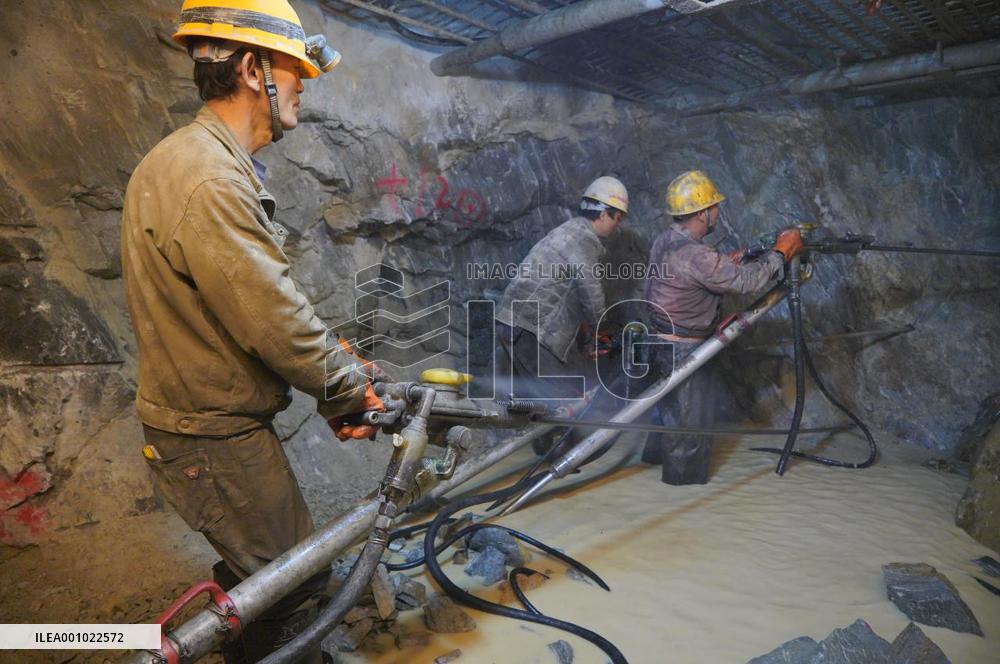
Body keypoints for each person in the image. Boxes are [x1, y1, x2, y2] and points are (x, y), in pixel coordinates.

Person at [120, 2, 381, 661]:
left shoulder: (193, 161)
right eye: (296, 72)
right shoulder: (208, 177)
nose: (303, 87)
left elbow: (248, 306)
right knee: (292, 587)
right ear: (249, 69)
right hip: (212, 437)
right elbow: (274, 319)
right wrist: (346, 390)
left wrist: (333, 372)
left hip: (209, 427)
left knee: (261, 573)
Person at [643, 170, 802, 485]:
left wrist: (725, 263)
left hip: (658, 343)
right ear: (702, 213)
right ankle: (681, 496)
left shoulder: (667, 240)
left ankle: (653, 463)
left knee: (668, 414)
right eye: (715, 206)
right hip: (684, 350)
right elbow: (747, 282)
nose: (718, 211)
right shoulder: (698, 255)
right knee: (690, 431)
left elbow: (686, 277)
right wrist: (783, 250)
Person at [494, 176, 628, 453]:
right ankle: (560, 460)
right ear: (603, 213)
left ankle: (544, 451)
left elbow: (561, 288)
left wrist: (587, 333)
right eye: (617, 218)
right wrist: (602, 328)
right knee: (562, 397)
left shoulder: (566, 231)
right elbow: (589, 289)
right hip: (532, 328)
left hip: (512, 320)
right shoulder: (584, 239)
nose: (619, 225)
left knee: (535, 396)